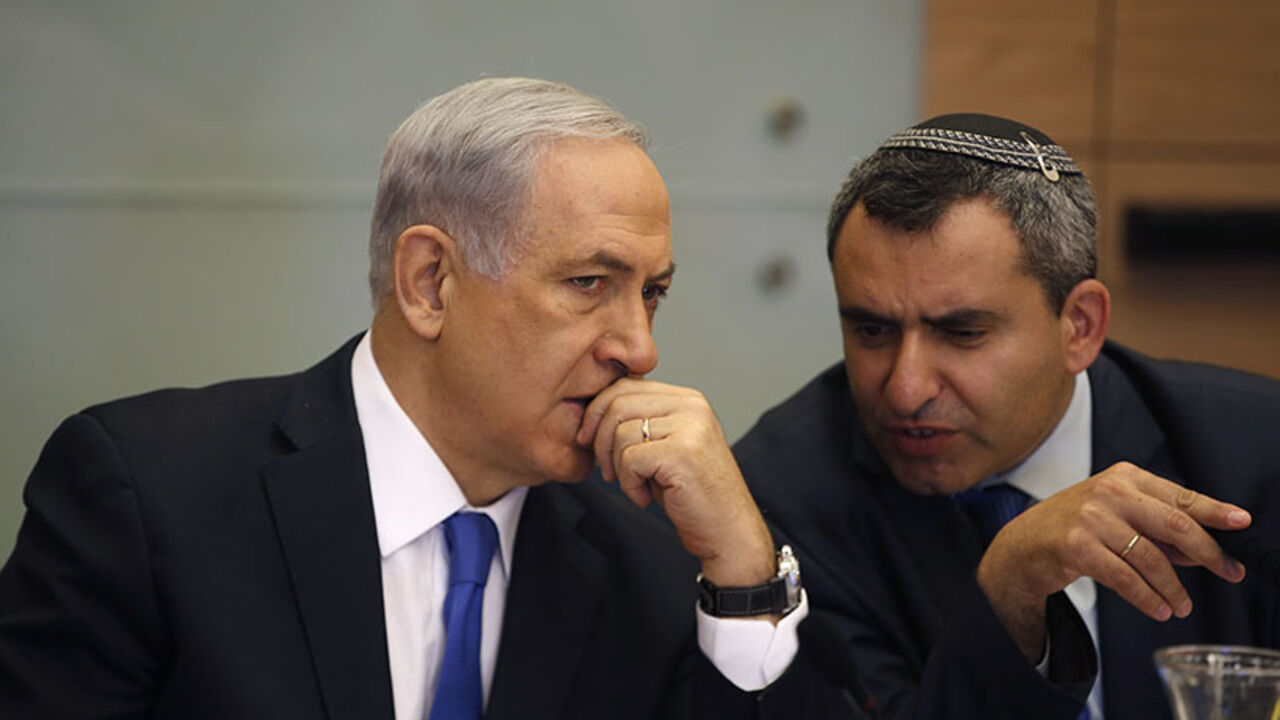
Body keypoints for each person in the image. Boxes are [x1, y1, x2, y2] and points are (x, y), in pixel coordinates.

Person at [0, 78, 870, 720]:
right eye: (588, 282)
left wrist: (747, 574)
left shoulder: (652, 553)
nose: (639, 347)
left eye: (651, 293)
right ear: (429, 282)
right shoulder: (149, 494)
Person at [735, 113, 1280, 720]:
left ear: (1080, 327)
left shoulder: (1253, 450)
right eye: (871, 329)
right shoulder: (779, 495)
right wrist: (1009, 591)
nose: (906, 389)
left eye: (963, 332)